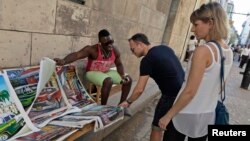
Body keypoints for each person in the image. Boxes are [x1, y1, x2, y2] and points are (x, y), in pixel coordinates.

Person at [158, 2, 233, 141]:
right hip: (206, 116)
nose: (192, 29)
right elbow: (220, 87)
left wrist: (168, 116)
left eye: (196, 24)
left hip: (185, 112)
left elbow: (189, 91)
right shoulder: (229, 52)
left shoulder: (203, 51)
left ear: (210, 23)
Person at [119, 33, 185, 141]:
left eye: (133, 49)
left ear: (140, 44)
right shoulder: (164, 48)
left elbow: (139, 90)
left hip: (170, 96)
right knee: (174, 129)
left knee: (156, 128)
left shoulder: (147, 60)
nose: (132, 53)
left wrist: (128, 102)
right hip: (183, 92)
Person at [54, 29, 132, 105]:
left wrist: (122, 76)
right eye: (106, 43)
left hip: (106, 72)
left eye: (111, 42)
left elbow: (119, 64)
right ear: (100, 43)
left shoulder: (114, 50)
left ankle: (122, 104)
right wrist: (63, 61)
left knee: (128, 79)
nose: (110, 45)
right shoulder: (92, 49)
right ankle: (103, 107)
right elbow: (77, 55)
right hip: (92, 72)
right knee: (108, 81)